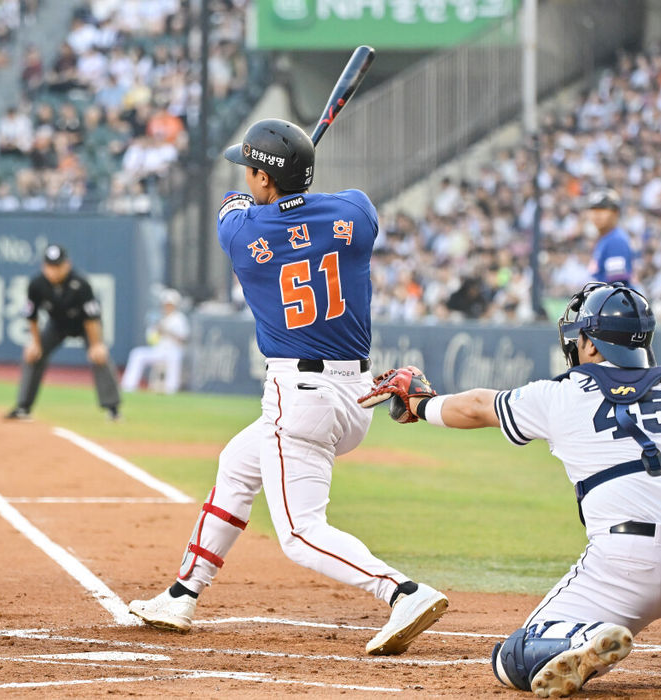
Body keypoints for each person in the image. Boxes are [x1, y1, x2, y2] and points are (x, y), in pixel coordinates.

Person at [360, 282, 661, 696]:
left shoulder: (562, 393)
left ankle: (585, 637)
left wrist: (419, 404)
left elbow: (477, 406)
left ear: (590, 344)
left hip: (631, 568)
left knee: (512, 656)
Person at [128, 118, 448, 655]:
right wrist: (293, 191)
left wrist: (274, 198)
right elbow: (337, 205)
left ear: (263, 177)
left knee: (300, 535)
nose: (244, 175)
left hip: (298, 398)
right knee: (235, 465)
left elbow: (234, 205)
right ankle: (183, 593)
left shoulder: (240, 231)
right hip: (355, 394)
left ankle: (402, 592)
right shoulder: (354, 212)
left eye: (250, 168)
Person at [5, 244, 121, 420]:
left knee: (99, 356)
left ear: (67, 264)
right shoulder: (37, 285)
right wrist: (34, 343)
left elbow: (92, 318)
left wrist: (97, 345)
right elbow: (32, 316)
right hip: (57, 325)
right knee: (34, 355)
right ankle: (23, 407)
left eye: (58, 266)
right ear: (43, 266)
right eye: (50, 266)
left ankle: (112, 408)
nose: (54, 271)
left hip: (84, 325)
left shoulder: (80, 284)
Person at [120, 288, 189, 394]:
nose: (167, 307)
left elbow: (183, 340)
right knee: (137, 353)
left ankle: (171, 389)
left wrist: (167, 331)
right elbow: (151, 340)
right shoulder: (159, 318)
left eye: (170, 304)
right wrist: (155, 331)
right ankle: (128, 386)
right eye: (166, 304)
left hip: (174, 350)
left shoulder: (179, 318)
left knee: (174, 357)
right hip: (159, 350)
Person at [586, 189, 635, 285]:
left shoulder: (616, 240)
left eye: (603, 210)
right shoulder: (605, 238)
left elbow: (616, 286)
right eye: (594, 211)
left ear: (615, 213)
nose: (597, 215)